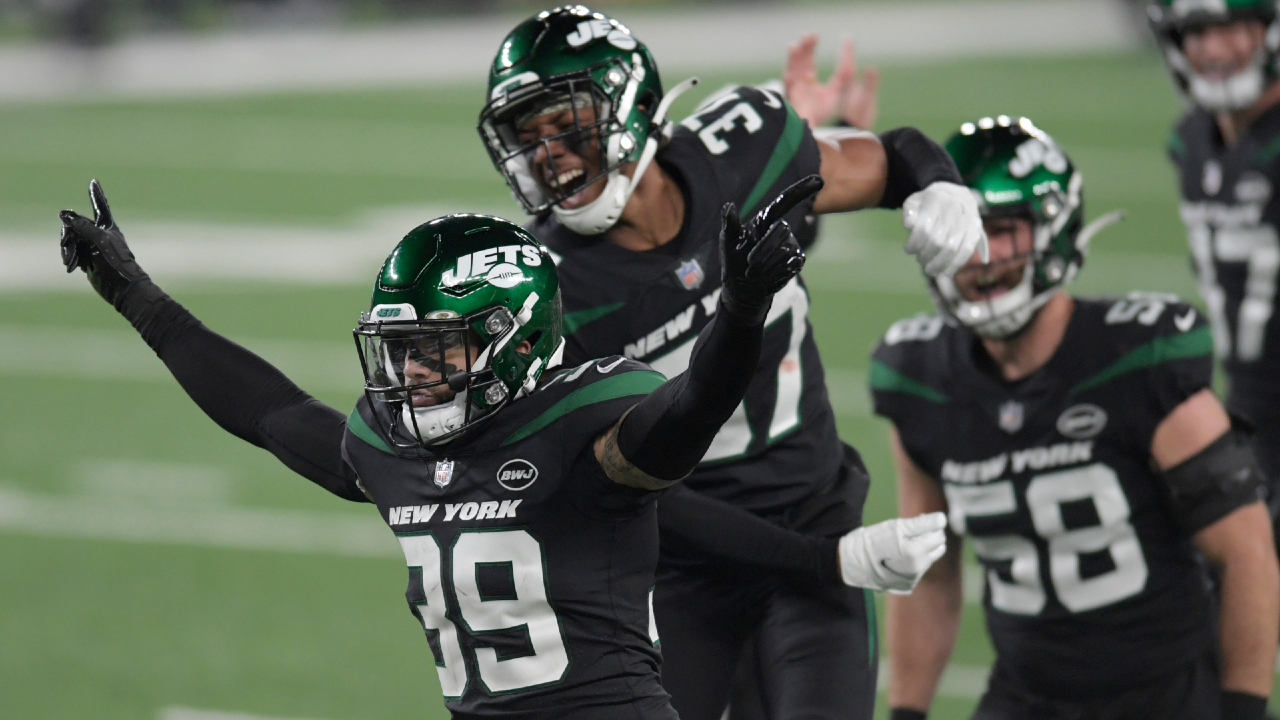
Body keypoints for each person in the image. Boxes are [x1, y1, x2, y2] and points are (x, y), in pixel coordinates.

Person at [57, 176, 942, 718]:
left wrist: (739, 318)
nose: (415, 378)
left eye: (438, 352)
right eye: (405, 354)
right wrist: (137, 298)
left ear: (511, 338)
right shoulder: (393, 446)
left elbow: (686, 417)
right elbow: (268, 412)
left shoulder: (582, 421)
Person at [476, 8, 983, 719]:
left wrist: (938, 183)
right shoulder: (552, 292)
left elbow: (888, 157)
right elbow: (633, 488)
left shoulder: (743, 150)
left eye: (565, 123)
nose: (548, 154)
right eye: (527, 139)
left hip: (814, 514)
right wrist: (826, 560)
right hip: (680, 572)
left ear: (629, 103)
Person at [874, 117, 1279, 720]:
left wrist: (1242, 708)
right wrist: (907, 712)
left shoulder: (1140, 360)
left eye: (1001, 231)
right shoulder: (920, 379)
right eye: (961, 236)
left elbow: (1246, 551)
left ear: (1053, 230)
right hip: (1026, 698)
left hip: (1164, 696)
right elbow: (930, 572)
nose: (979, 259)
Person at [1151, 0, 1280, 547]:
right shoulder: (1190, 141)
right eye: (1197, 32)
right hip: (1250, 405)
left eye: (1234, 28)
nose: (1216, 49)